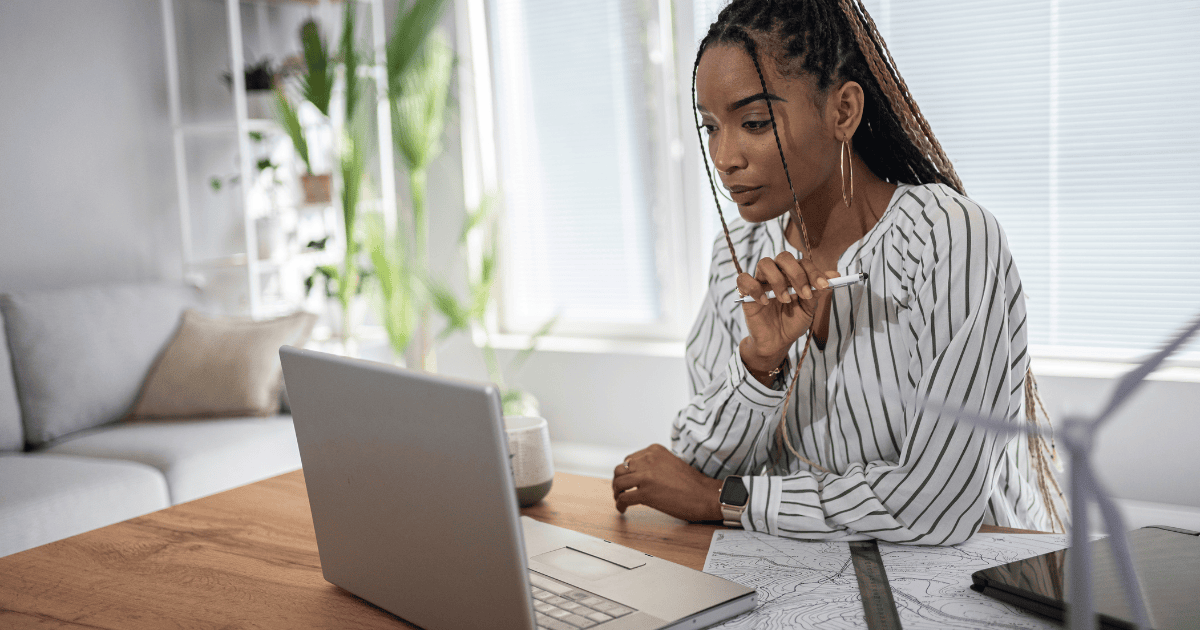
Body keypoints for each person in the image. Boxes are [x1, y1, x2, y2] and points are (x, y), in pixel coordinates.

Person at [611, 0, 1063, 545]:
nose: (724, 156)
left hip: (970, 586)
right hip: (811, 584)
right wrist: (759, 367)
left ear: (843, 111)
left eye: (753, 122)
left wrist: (725, 500)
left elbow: (935, 505)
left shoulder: (950, 238)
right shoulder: (741, 249)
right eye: (710, 126)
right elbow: (692, 465)